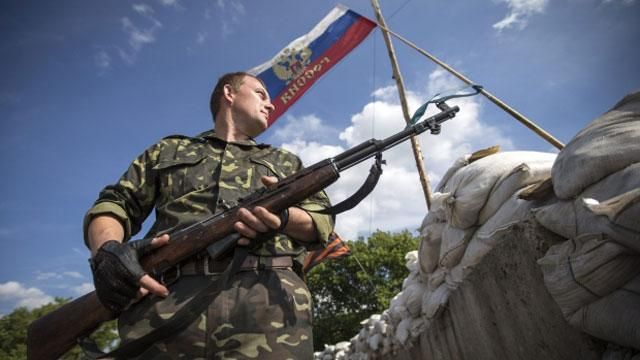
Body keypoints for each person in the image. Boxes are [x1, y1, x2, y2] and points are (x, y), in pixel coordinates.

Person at [84, 71, 334, 359]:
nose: (271, 104)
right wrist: (107, 251)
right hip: (164, 307)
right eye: (261, 94)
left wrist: (284, 217)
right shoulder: (168, 150)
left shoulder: (285, 161)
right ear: (229, 93)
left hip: (270, 307)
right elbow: (115, 203)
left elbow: (322, 219)